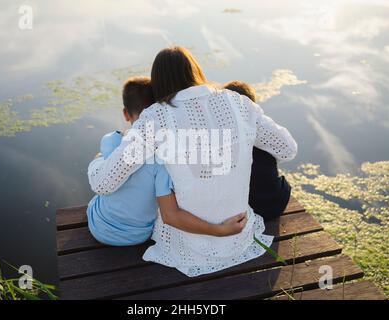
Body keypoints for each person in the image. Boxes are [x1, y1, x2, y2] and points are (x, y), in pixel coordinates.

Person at [90, 46, 297, 277]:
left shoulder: (156, 117)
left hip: (189, 249)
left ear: (158, 83)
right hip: (240, 237)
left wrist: (97, 162)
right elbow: (287, 149)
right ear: (195, 71)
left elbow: (103, 184)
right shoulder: (239, 102)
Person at [87, 76, 247, 246]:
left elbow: (102, 167)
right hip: (137, 236)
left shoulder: (112, 139)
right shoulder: (163, 159)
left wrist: (98, 160)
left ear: (126, 114)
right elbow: (170, 215)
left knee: (100, 174)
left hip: (97, 226)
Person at [223, 80, 291, 221]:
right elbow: (289, 151)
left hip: (242, 210)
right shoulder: (264, 131)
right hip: (274, 206)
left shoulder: (220, 134)